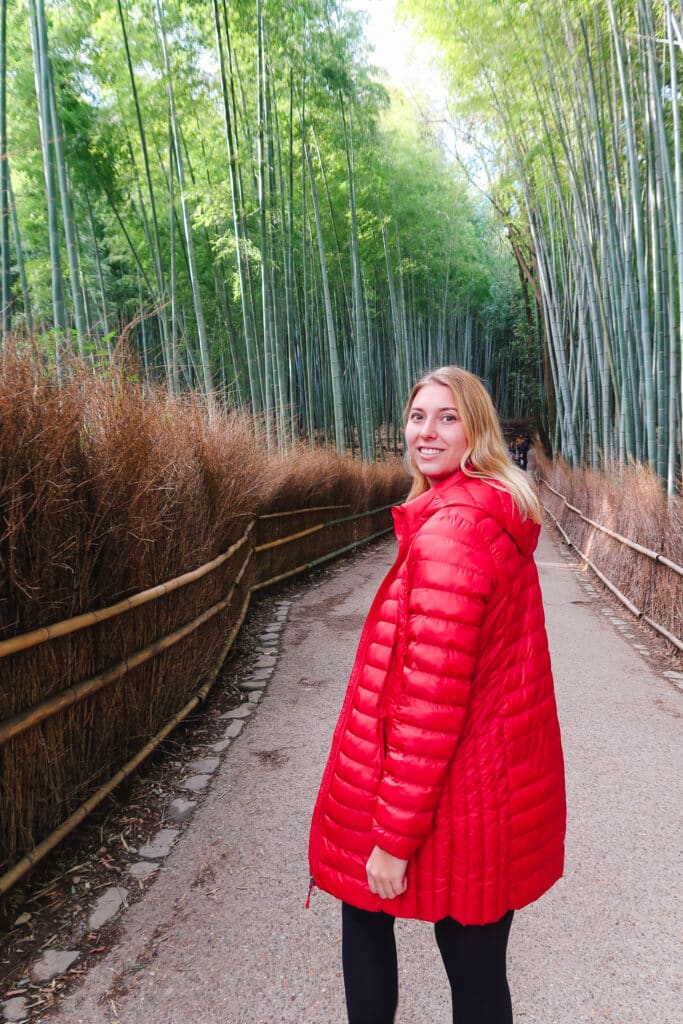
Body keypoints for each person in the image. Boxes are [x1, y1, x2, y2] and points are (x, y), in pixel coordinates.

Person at [308, 366, 566, 1024]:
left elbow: (428, 704)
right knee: (479, 980)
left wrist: (391, 839)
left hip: (449, 803)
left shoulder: (451, 535)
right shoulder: (487, 514)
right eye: (418, 415)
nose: (426, 430)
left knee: (367, 924)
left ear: (475, 432)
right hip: (487, 801)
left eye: (447, 417)